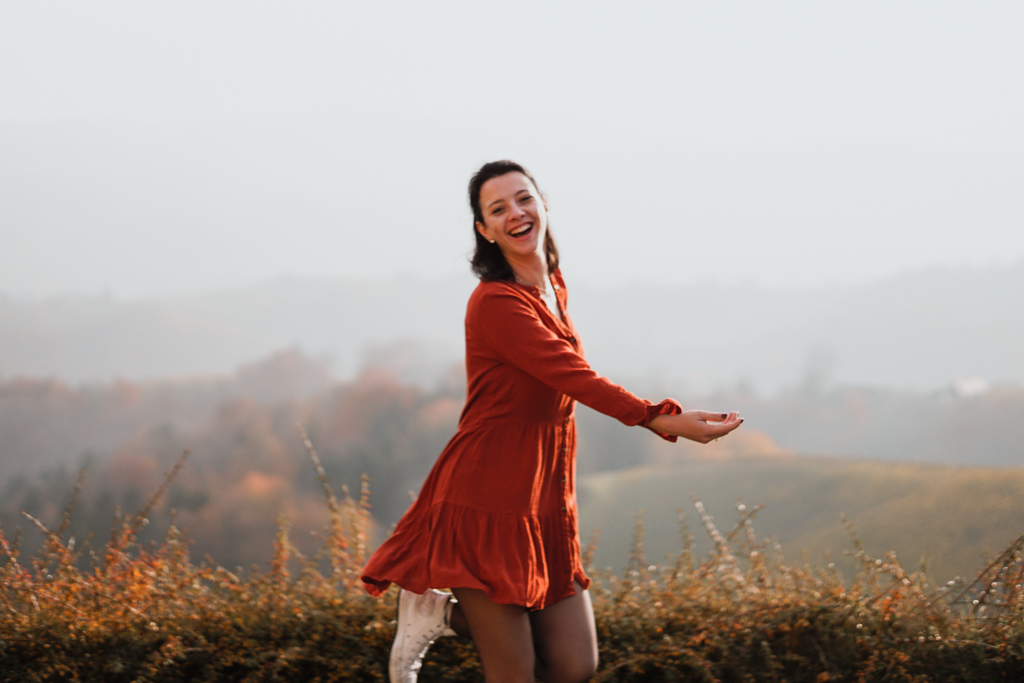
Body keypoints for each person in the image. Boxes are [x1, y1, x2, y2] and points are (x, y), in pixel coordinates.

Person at [361, 160, 743, 683]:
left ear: (543, 204)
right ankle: (439, 611)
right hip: (487, 497)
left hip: (543, 498)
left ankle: (441, 613)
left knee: (574, 665)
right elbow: (575, 377)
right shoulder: (495, 302)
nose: (515, 214)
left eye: (523, 199)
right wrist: (661, 419)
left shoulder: (552, 288)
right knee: (515, 675)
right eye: (498, 209)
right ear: (485, 230)